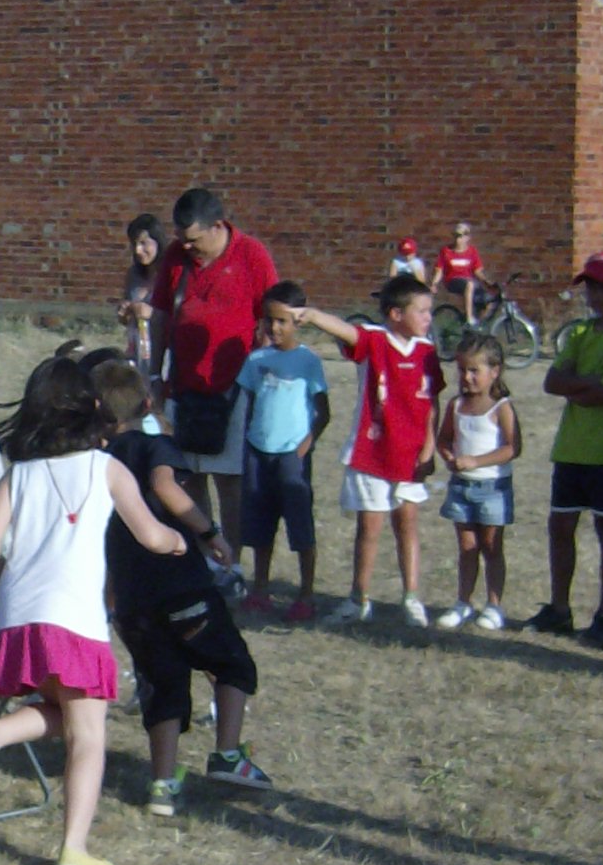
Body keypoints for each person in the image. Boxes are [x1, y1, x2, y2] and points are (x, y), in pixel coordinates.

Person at [0, 356, 185, 865]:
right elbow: (150, 535)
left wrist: (8, 574)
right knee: (89, 737)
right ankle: (73, 846)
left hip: (21, 615)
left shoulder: (20, 473)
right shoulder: (107, 468)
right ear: (93, 408)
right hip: (75, 617)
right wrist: (176, 541)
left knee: (72, 714)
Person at [91, 359, 270, 818]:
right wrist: (210, 533)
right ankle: (227, 754)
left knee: (161, 685)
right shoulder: (156, 447)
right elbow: (165, 487)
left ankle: (163, 784)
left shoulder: (94, 463)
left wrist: (108, 598)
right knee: (231, 663)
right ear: (147, 404)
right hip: (181, 586)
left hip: (132, 599)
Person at [295, 275, 443, 627]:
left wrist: (429, 448)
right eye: (421, 311)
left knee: (407, 525)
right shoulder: (375, 341)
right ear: (395, 314)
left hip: (410, 458)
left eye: (429, 311)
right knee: (369, 528)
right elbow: (346, 331)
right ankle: (358, 598)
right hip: (372, 455)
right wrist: (313, 315)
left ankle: (411, 597)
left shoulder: (428, 352)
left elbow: (432, 405)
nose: (428, 318)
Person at [522, 252, 603, 642]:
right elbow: (552, 381)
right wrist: (586, 384)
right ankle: (560, 608)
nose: (594, 295)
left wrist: (580, 385)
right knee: (560, 527)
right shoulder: (579, 333)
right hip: (570, 448)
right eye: (590, 287)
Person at [148, 186, 280, 530]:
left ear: (218, 226)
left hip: (234, 387)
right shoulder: (176, 256)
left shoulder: (251, 255)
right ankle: (204, 547)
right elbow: (161, 315)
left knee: (229, 480)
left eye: (193, 240)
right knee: (188, 477)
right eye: (181, 239)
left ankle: (231, 555)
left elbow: (271, 317)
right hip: (184, 385)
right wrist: (155, 374)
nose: (186, 247)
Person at [234, 280, 328, 619]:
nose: (274, 327)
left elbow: (323, 412)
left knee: (299, 524)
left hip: (291, 456)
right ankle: (260, 589)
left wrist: (303, 447)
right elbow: (248, 404)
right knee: (260, 524)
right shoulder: (255, 360)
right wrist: (248, 442)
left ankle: (306, 594)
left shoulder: (308, 361)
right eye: (269, 320)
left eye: (282, 321)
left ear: (297, 321)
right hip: (258, 453)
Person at [434, 334, 522, 629]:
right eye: (462, 370)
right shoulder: (456, 405)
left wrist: (476, 461)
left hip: (492, 488)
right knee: (466, 546)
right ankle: (463, 602)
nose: (467, 377)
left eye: (475, 370)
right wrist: (449, 457)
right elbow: (444, 439)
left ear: (494, 371)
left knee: (491, 546)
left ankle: (494, 606)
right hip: (462, 486)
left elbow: (512, 447)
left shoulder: (501, 407)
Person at [118, 213, 162, 374]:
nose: (138, 250)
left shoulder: (170, 274)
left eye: (144, 243)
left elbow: (178, 316)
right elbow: (125, 319)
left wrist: (152, 313)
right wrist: (124, 313)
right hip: (137, 351)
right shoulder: (133, 275)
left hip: (162, 353)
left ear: (158, 242)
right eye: (134, 244)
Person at [432, 221, 484, 324]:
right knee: (470, 284)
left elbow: (477, 271)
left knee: (488, 299)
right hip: (452, 280)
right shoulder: (446, 251)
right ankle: (469, 319)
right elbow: (439, 270)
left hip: (468, 281)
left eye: (460, 236)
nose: (457, 239)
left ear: (467, 237)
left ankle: (478, 324)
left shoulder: (472, 251)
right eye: (455, 236)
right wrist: (434, 284)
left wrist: (487, 282)